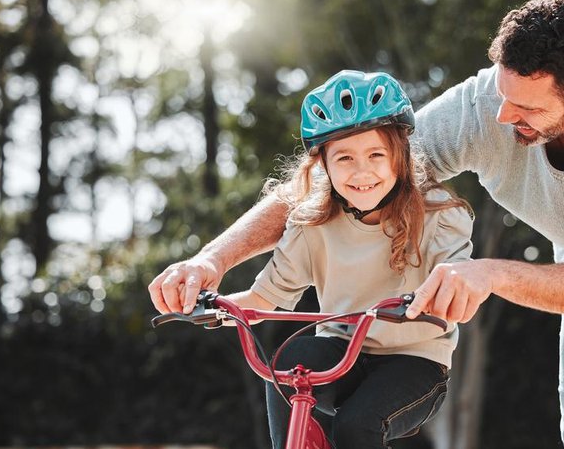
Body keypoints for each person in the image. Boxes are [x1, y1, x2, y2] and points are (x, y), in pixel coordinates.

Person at [150, 0, 564, 447]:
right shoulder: (485, 106)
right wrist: (213, 260)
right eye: (503, 92)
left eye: (527, 107)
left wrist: (488, 273)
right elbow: (343, 184)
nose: (504, 115)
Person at [152, 70, 474, 448]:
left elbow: (458, 288)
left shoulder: (440, 214)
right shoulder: (311, 224)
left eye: (376, 154)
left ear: (399, 157)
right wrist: (207, 306)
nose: (361, 171)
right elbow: (261, 302)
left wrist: (442, 297)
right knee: (286, 367)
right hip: (342, 353)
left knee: (357, 425)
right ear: (322, 164)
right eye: (344, 158)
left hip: (415, 360)